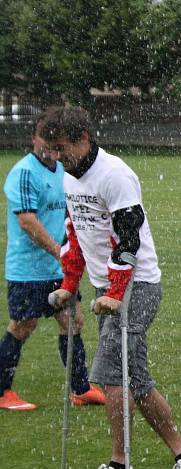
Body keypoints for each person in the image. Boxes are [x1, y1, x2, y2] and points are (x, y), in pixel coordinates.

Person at [42, 105, 181, 469]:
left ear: (82, 138)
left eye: (61, 148)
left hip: (138, 286)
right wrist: (70, 283)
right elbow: (76, 235)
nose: (56, 157)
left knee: (111, 372)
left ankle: (120, 466)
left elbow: (129, 240)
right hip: (107, 291)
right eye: (51, 150)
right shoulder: (71, 179)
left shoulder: (114, 175)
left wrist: (116, 294)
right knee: (137, 379)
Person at [0, 110, 105, 411]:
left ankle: (81, 389)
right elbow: (27, 222)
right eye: (44, 140)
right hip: (28, 269)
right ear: (34, 138)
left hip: (57, 268)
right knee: (23, 325)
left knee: (72, 320)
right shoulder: (24, 172)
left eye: (54, 143)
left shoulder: (61, 170)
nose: (49, 148)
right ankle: (2, 391)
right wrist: (61, 252)